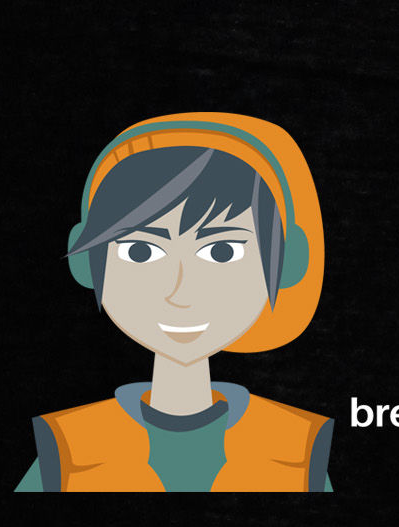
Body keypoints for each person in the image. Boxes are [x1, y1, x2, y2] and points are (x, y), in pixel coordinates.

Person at [26, 113, 333, 493]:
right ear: (87, 262)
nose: (179, 292)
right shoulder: (67, 447)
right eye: (141, 252)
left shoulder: (300, 446)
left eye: (222, 251)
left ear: (287, 262)